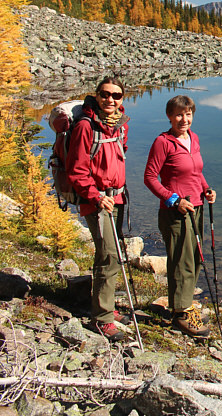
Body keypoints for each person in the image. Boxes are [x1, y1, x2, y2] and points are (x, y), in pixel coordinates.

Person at [143, 95, 216, 338]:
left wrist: (206, 189)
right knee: (181, 261)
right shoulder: (163, 142)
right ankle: (180, 313)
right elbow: (150, 178)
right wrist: (173, 199)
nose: (183, 119)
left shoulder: (192, 139)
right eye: (178, 115)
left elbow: (196, 172)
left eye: (188, 114)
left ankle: (186, 304)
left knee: (195, 257)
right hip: (176, 212)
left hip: (196, 207)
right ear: (169, 116)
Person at [66, 76, 131, 342]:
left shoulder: (119, 125)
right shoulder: (86, 126)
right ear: (97, 95)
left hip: (116, 199)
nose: (110, 100)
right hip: (96, 201)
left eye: (116, 96)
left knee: (113, 254)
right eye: (105, 95)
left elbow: (119, 153)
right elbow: (76, 171)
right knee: (107, 256)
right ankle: (102, 318)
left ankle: (105, 305)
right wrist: (95, 195)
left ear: (122, 99)